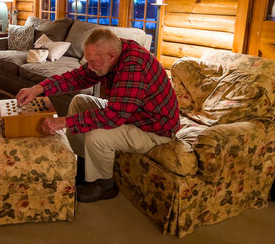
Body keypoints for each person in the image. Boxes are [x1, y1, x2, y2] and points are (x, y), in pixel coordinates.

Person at [16, 28, 179, 203]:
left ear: (111, 56)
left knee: (97, 135)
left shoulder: (133, 66)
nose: (90, 67)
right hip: (132, 113)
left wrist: (64, 122)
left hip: (153, 129)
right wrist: (37, 89)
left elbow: (113, 117)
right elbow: (77, 77)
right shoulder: (116, 51)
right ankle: (83, 164)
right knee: (80, 101)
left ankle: (104, 184)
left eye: (93, 62)